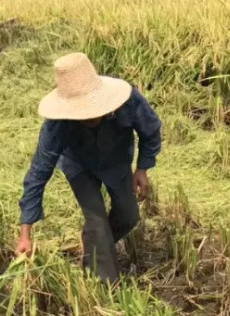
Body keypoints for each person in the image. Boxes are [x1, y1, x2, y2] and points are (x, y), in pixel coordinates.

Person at [16, 52, 162, 283]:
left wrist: (143, 168)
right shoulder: (56, 124)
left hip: (117, 160)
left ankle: (93, 248)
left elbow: (150, 131)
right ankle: (107, 287)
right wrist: (25, 232)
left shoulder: (129, 101)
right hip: (78, 165)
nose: (88, 117)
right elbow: (39, 171)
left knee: (129, 215)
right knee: (96, 221)